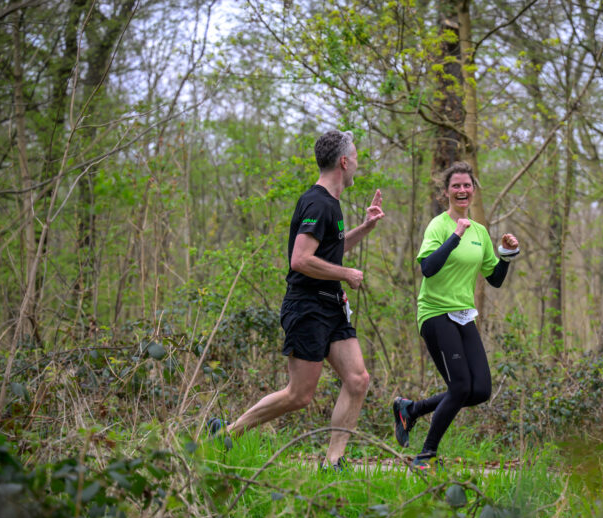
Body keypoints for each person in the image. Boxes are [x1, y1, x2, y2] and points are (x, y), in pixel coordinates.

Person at [215, 129, 384, 470]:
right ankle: (227, 433)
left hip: (331, 306)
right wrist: (346, 274)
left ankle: (333, 462)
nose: (358, 165)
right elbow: (301, 260)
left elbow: (328, 251)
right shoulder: (318, 203)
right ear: (343, 161)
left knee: (357, 380)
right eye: (356, 158)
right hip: (307, 306)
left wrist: (364, 228)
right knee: (299, 395)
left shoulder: (331, 204)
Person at [392, 161, 520, 470]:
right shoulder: (439, 225)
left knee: (480, 391)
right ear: (446, 192)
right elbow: (428, 268)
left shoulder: (479, 231)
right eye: (456, 186)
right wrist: (455, 237)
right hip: (435, 312)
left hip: (464, 315)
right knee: (460, 386)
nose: (462, 190)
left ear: (474, 190)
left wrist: (506, 254)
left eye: (467, 185)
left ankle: (411, 410)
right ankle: (425, 456)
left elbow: (495, 279)